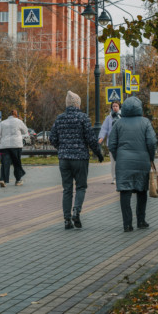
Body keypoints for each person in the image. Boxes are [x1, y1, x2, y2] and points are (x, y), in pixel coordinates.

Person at [50, 91, 104, 229]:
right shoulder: (83, 118)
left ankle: (67, 220)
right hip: (80, 158)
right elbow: (91, 139)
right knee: (81, 186)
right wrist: (99, 154)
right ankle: (76, 211)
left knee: (67, 189)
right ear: (77, 104)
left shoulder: (59, 118)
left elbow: (53, 138)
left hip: (64, 159)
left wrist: (62, 148)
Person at [108, 96, 157, 232]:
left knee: (125, 192)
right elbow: (152, 142)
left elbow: (111, 144)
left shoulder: (118, 123)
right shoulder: (145, 122)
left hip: (123, 162)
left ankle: (127, 224)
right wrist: (150, 157)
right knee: (141, 190)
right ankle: (141, 220)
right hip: (142, 161)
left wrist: (119, 158)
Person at [0, 109, 28, 187]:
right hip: (16, 146)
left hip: (4, 146)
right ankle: (18, 180)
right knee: (17, 163)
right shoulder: (19, 121)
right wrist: (21, 121)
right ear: (16, 115)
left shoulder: (2, 123)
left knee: (4, 163)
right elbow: (25, 131)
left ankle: (2, 180)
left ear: (8, 115)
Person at [98, 101, 121, 184]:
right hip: (112, 143)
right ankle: (114, 178)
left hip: (122, 143)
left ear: (119, 107)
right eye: (113, 106)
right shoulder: (109, 118)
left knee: (121, 161)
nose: (115, 107)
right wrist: (101, 137)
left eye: (116, 106)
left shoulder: (123, 117)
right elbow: (104, 128)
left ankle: (121, 177)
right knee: (113, 162)